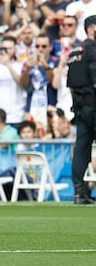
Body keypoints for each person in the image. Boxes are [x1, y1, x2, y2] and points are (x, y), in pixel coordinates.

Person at [67, 15, 96, 205]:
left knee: (82, 149)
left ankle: (79, 193)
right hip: (93, 105)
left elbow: (71, 83)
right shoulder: (93, 50)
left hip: (80, 106)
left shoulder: (75, 51)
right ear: (92, 28)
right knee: (83, 149)